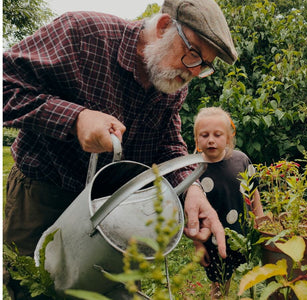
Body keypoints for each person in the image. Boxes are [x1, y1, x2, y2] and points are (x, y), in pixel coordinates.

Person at [3, 0, 237, 298]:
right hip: (44, 196)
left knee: (112, 291)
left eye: (204, 66)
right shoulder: (83, 34)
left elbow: (166, 142)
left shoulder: (173, 80)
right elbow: (6, 85)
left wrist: (191, 188)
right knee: (34, 289)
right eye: (193, 56)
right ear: (164, 26)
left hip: (116, 208)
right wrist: (75, 118)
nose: (193, 72)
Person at [191, 107, 263, 299]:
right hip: (213, 241)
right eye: (204, 135)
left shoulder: (240, 160)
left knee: (247, 273)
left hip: (242, 233)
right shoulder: (194, 170)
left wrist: (261, 218)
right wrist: (198, 244)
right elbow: (193, 213)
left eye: (217, 134)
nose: (211, 140)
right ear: (197, 140)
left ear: (228, 139)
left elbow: (253, 191)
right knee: (220, 281)